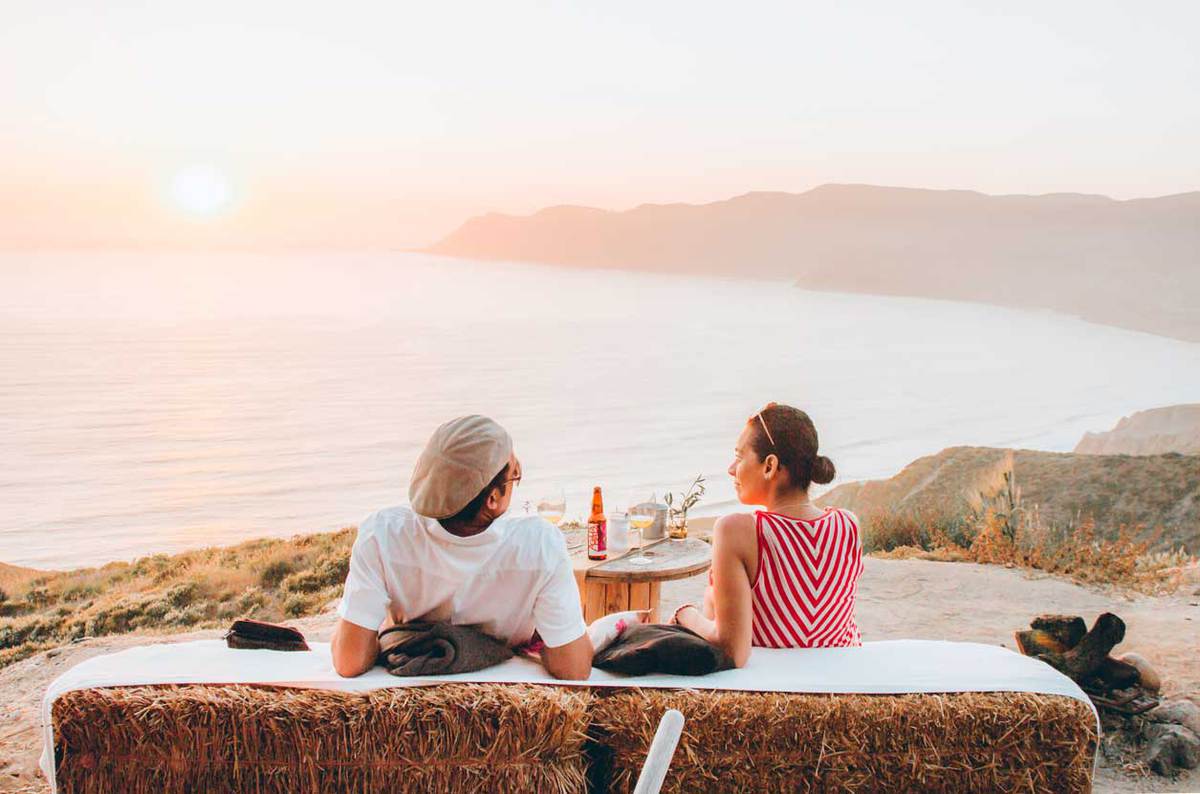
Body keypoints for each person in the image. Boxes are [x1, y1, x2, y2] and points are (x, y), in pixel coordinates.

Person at [330, 415, 593, 679]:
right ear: (492, 499)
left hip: (412, 681)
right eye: (515, 475)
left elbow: (349, 660)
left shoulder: (384, 534)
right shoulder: (539, 544)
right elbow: (574, 667)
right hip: (500, 686)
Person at [673, 403, 863, 667]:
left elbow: (732, 650)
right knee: (713, 596)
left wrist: (685, 615)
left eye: (739, 457)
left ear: (769, 466)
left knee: (710, 599)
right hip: (840, 681)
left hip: (775, 684)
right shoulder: (848, 525)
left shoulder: (737, 531)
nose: (731, 469)